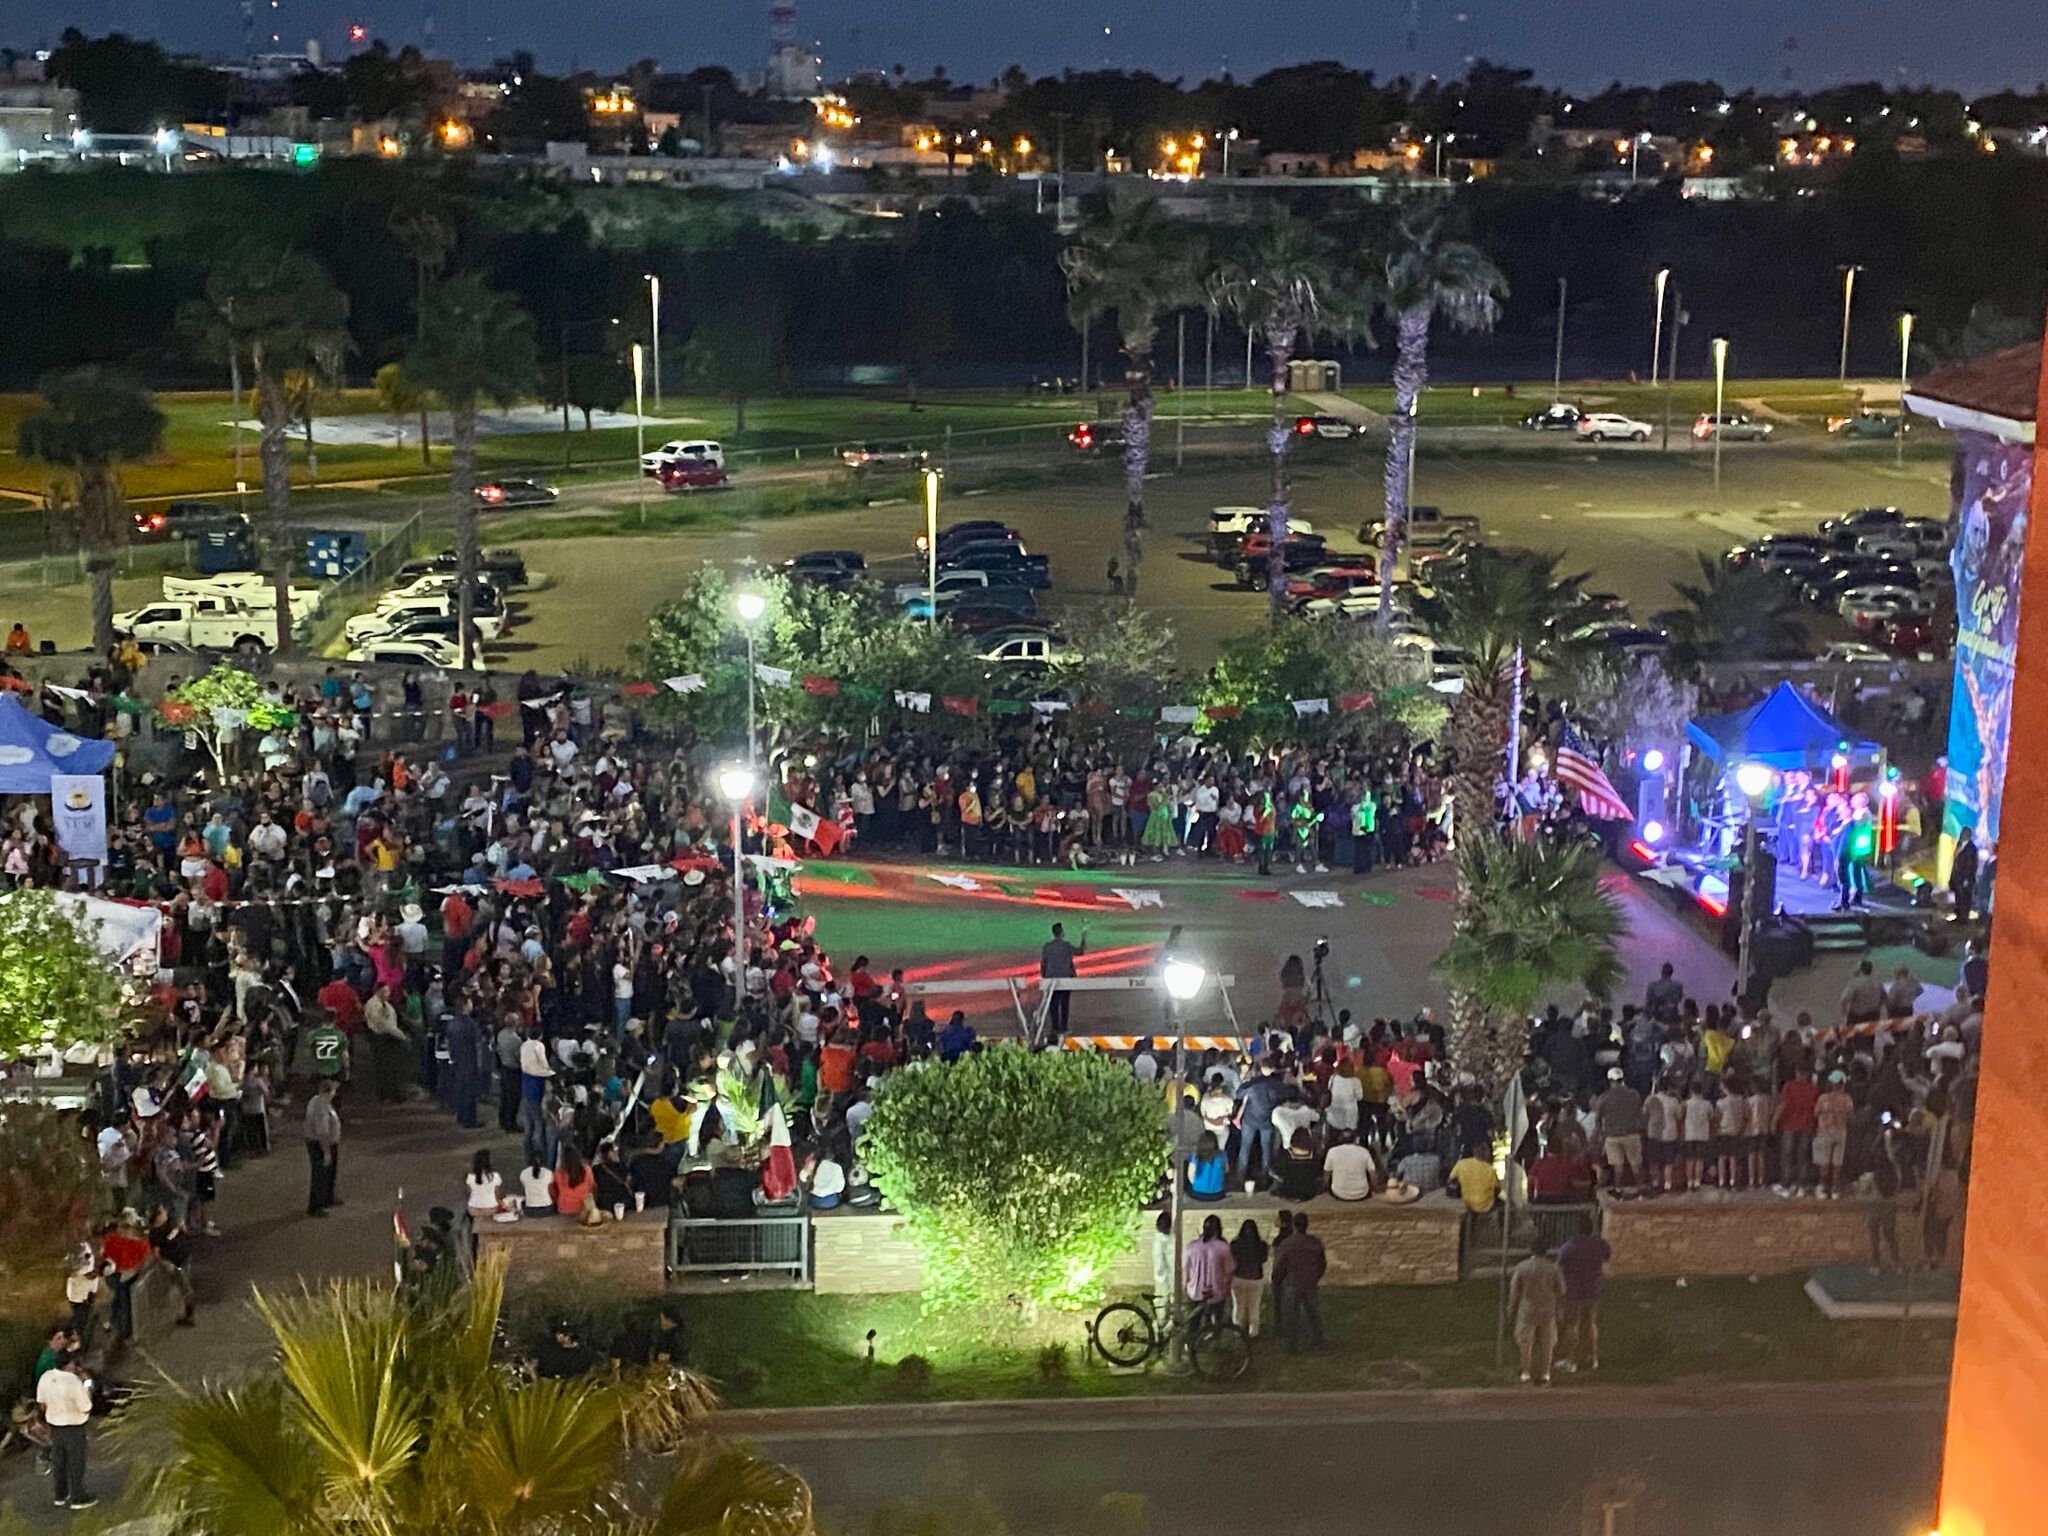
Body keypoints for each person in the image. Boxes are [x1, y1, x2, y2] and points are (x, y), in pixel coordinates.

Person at [35, 1351, 95, 1509]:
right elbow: (85, 1406)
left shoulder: (46, 1378)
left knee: (59, 1461)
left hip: (55, 1426)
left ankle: (60, 1494)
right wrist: (87, 1388)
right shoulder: (73, 1381)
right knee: (76, 1462)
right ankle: (78, 1497)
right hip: (73, 1425)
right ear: (69, 1364)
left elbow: (41, 1403)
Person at [1508, 1239, 1567, 1386]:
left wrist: (1511, 1308)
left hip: (1527, 1310)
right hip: (1548, 1310)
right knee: (1548, 1343)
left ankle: (1526, 1372)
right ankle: (1545, 1373)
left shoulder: (1522, 1267)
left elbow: (1514, 1291)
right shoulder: (1553, 1268)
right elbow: (1562, 1290)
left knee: (1525, 1343)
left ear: (1531, 1250)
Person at [1555, 1223, 1612, 1374]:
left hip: (1573, 1290)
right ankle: (1593, 1358)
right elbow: (1607, 1257)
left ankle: (1572, 1360)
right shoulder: (1599, 1244)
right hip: (1594, 1288)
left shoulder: (1569, 1247)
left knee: (1573, 1324)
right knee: (1591, 1323)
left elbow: (1559, 1266)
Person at [1270, 1211, 1326, 1353]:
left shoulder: (1287, 1244)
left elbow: (1279, 1265)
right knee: (1312, 1312)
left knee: (1291, 1315)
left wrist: (1276, 1279)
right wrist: (1315, 1277)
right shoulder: (1314, 1243)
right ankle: (1318, 1341)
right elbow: (1322, 1263)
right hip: (1309, 1282)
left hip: (1292, 1282)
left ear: (1294, 1225)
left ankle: (1292, 1345)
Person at [1594, 1067, 1644, 1189]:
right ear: (1623, 1079)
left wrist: (1600, 1134)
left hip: (1612, 1136)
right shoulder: (1634, 1094)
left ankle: (1618, 1189)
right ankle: (1641, 1188)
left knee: (1617, 1167)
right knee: (1636, 1165)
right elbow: (1640, 1113)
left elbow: (1598, 1118)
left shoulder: (1604, 1097)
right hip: (1632, 1134)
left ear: (1610, 1080)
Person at [1181, 1213, 1234, 1328]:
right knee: (1216, 1320)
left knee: (1193, 1321)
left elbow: (1185, 1269)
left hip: (1195, 1291)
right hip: (1216, 1291)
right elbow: (1229, 1272)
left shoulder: (1192, 1246)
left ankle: (1190, 1344)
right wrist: (1227, 1290)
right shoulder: (1223, 1247)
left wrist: (1184, 1285)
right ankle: (1212, 1340)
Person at [1813, 1071, 1855, 1199]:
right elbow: (1850, 1115)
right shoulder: (1847, 1098)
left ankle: (1824, 1188)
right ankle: (1835, 1189)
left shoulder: (1823, 1098)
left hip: (1824, 1132)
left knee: (1823, 1162)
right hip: (1840, 1132)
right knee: (1837, 1162)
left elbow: (1815, 1113)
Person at [304, 1077, 342, 1217]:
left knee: (329, 1173)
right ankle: (316, 1206)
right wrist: (326, 1152)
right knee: (320, 1175)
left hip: (325, 1143)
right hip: (320, 1144)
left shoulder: (319, 1101)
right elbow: (322, 1131)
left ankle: (327, 1198)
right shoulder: (320, 1106)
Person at [1038, 922, 1084, 1036]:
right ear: (1062, 933)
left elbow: (1043, 963)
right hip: (1065, 979)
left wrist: (1044, 977)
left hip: (1051, 979)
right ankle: (1063, 1027)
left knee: (1053, 1004)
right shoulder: (1066, 946)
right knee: (1064, 1004)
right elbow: (1080, 951)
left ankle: (1055, 1027)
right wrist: (1084, 937)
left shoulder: (1047, 947)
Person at [1227, 1218, 1268, 1338]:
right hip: (1255, 1278)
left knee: (1238, 1305)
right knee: (1254, 1306)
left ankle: (1238, 1330)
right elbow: (1263, 1259)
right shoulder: (1261, 1245)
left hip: (1239, 1277)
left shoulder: (1235, 1244)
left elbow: (1232, 1259)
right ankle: (1253, 1331)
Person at [1448, 1141, 1499, 1214]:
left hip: (1465, 1204)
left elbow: (1451, 1181)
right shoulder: (1491, 1170)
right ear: (1486, 1154)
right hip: (1485, 1207)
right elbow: (1497, 1189)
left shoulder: (1461, 1164)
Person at [1325, 1130, 1376, 1201]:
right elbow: (1372, 1173)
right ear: (1355, 1139)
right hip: (1362, 1193)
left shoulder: (1332, 1151)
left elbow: (1327, 1174)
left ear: (1340, 1139)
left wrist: (1326, 1188)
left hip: (1339, 1193)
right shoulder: (1364, 1151)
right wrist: (1373, 1188)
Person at [1185, 1131, 1227, 1200]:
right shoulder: (1222, 1155)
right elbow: (1226, 1170)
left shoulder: (1195, 1156)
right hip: (1218, 1194)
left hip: (1198, 1193)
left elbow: (1190, 1177)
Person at [1948, 826, 1979, 921]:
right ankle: (1958, 916)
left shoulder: (1972, 849)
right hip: (1957, 877)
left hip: (1966, 879)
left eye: (1964, 833)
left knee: (1965, 899)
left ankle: (1963, 918)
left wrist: (1967, 879)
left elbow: (1972, 866)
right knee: (1958, 897)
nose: (1961, 835)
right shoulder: (1959, 844)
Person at [465, 1149, 504, 1218]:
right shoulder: (495, 1176)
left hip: (473, 1209)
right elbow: (497, 1194)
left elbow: (469, 1193)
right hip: (491, 1209)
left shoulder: (470, 1176)